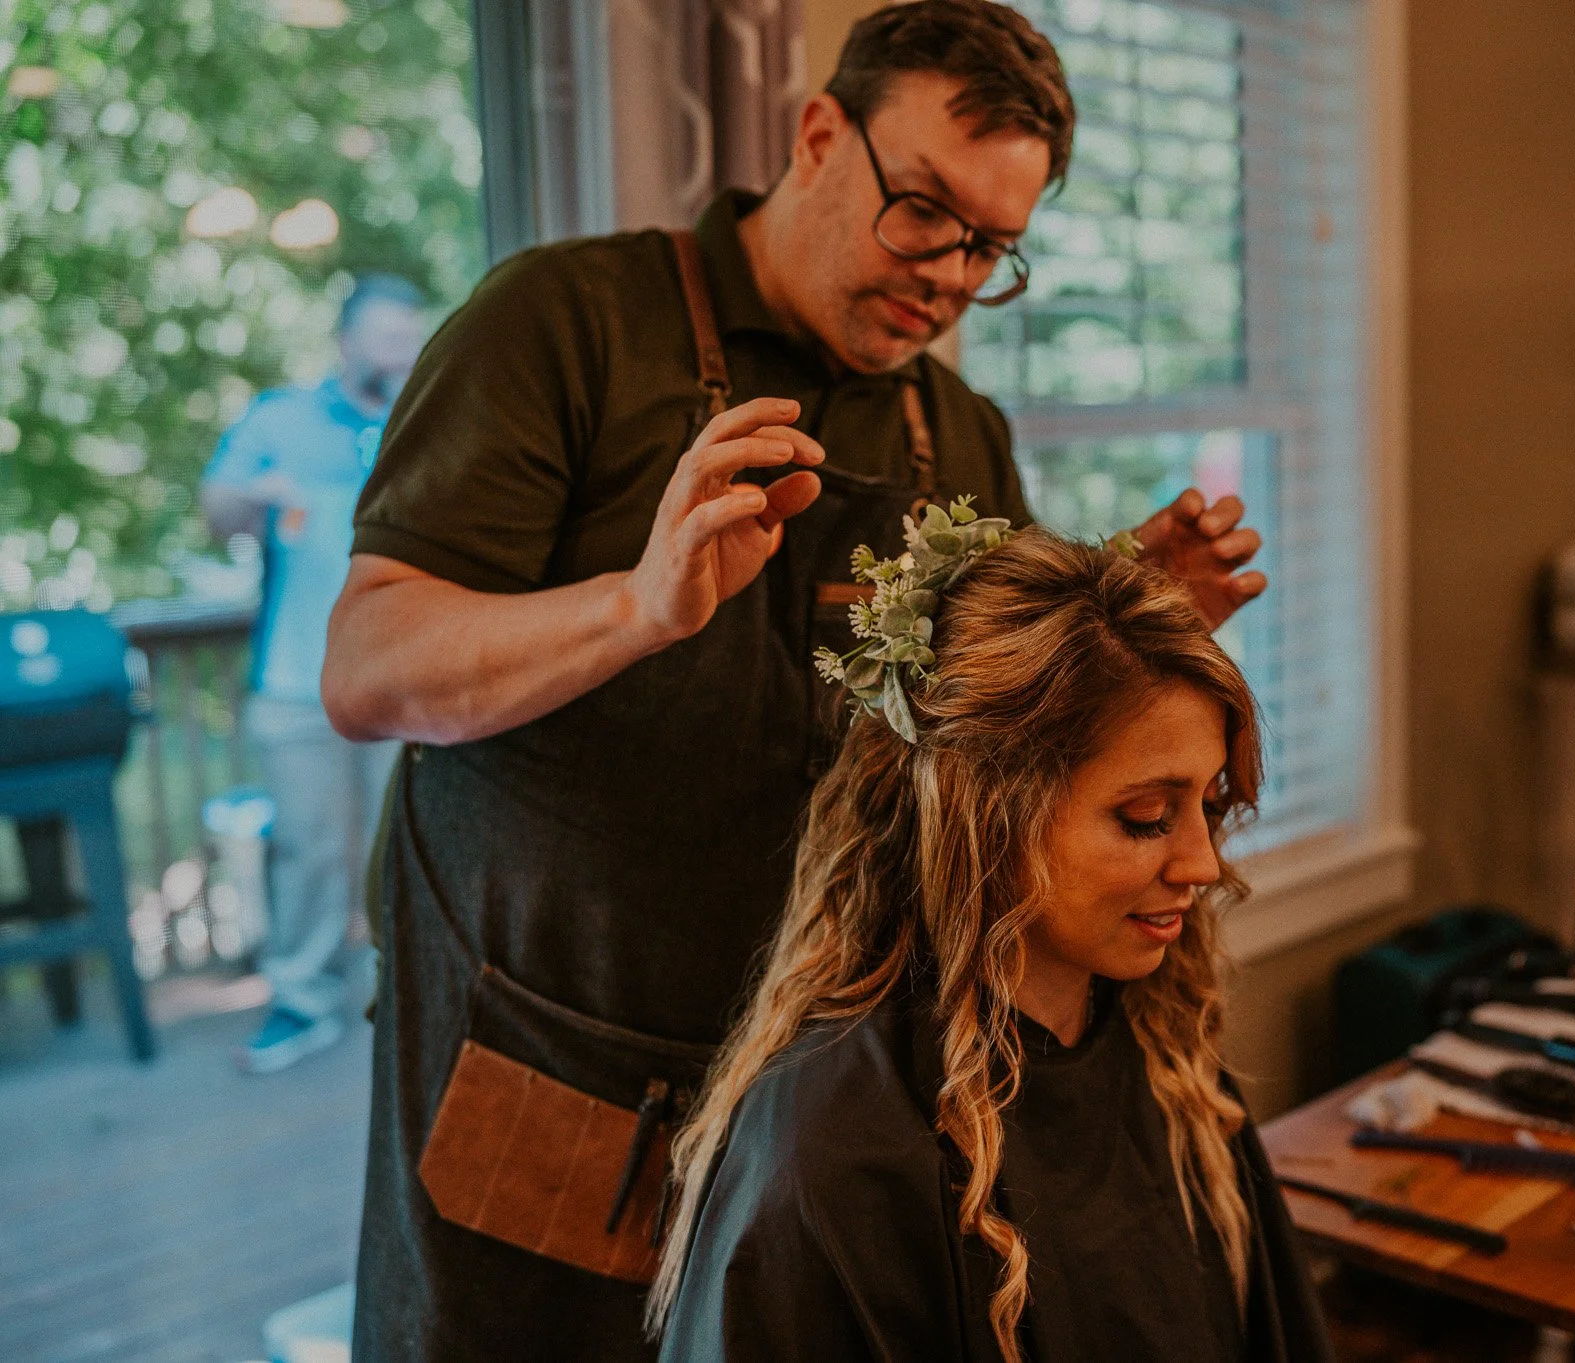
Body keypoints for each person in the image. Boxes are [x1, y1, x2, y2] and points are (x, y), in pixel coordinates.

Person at [322, 3, 1265, 1356]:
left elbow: (971, 740)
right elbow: (367, 667)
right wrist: (640, 606)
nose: (948, 274)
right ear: (820, 133)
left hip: (801, 1102)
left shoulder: (962, 429)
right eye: (924, 211)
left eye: (992, 246)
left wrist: (1122, 607)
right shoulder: (568, 323)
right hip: (546, 1058)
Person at [652, 529, 1332, 1363]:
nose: (1202, 863)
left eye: (1210, 806)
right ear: (986, 815)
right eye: (1148, 817)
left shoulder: (1166, 1059)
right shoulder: (833, 1153)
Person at [201, 273, 425, 1074]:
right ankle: (301, 997)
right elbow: (217, 507)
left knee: (401, 840)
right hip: (296, 683)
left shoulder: (421, 423)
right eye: (387, 334)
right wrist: (254, 495)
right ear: (347, 341)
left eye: (411, 334)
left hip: (398, 679)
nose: (401, 348)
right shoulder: (280, 419)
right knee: (308, 847)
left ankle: (398, 989)